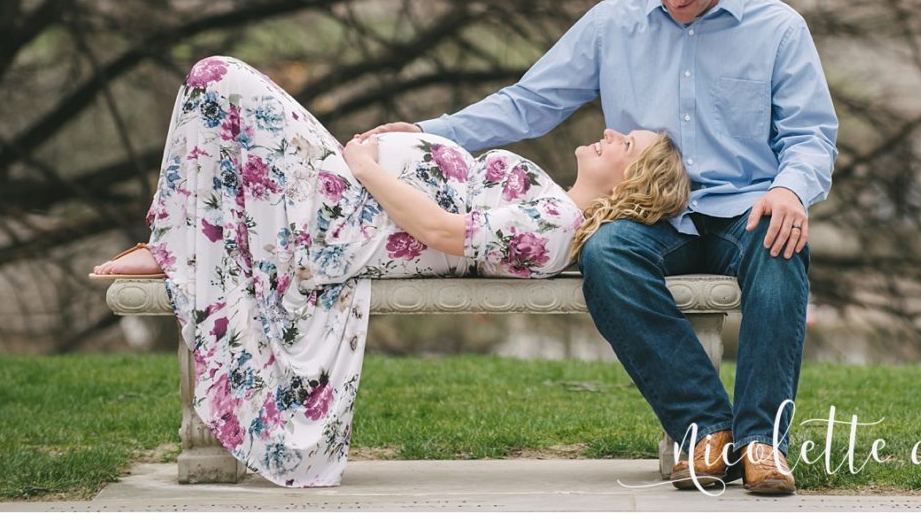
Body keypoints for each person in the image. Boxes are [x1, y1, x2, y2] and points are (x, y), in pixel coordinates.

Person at [364, 0, 837, 496]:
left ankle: (764, 442)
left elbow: (811, 136)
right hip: (652, 213)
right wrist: (433, 131)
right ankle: (705, 429)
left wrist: (791, 189)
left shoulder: (778, 29)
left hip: (745, 207)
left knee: (781, 246)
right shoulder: (613, 22)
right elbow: (531, 101)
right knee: (607, 253)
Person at [88, 55, 689, 488]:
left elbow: (441, 233)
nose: (610, 133)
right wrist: (415, 144)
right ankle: (171, 243)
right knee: (213, 89)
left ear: (631, 182)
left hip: (341, 215)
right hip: (343, 196)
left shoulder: (554, 224)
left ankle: (169, 247)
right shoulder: (552, 203)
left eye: (625, 144)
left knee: (216, 79)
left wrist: (365, 165)